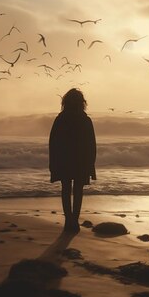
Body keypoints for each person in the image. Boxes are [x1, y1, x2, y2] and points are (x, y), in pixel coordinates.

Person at [49, 88, 96, 233]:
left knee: (66, 188)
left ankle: (68, 220)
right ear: (82, 103)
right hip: (81, 160)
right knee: (78, 190)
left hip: (64, 159)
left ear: (65, 102)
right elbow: (91, 144)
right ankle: (75, 220)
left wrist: (53, 162)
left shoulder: (60, 119)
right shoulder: (85, 120)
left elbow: (53, 143)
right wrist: (91, 164)